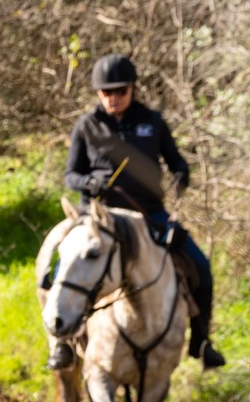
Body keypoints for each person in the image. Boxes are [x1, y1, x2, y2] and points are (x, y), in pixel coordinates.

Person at [49, 53, 225, 371]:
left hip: (148, 215)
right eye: (106, 92)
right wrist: (89, 181)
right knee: (62, 266)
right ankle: (62, 342)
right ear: (98, 93)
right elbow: (70, 175)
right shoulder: (86, 126)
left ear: (132, 89)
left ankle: (201, 342)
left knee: (201, 266)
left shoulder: (153, 122)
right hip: (98, 217)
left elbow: (177, 162)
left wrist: (180, 177)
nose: (113, 98)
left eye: (120, 91)